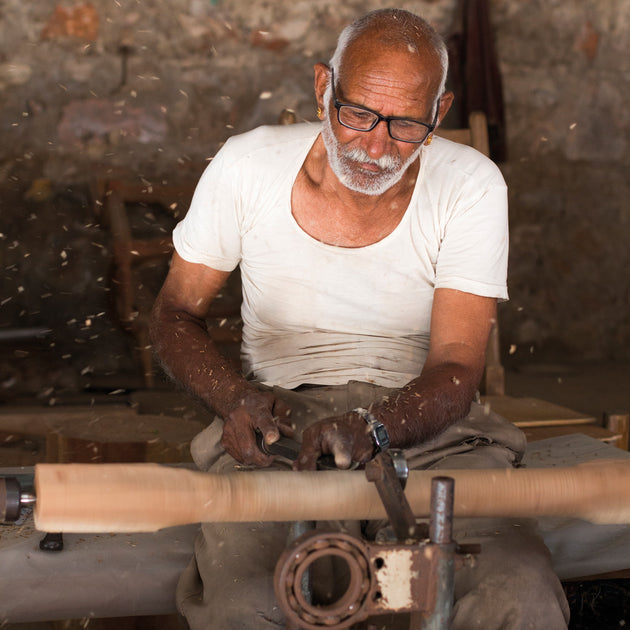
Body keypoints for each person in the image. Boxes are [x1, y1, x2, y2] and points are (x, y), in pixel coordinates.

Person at [150, 8, 570, 629]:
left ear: (440, 110)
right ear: (323, 88)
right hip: (279, 430)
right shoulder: (248, 166)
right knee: (252, 601)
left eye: (406, 126)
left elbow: (457, 367)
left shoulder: (471, 185)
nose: (376, 147)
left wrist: (376, 427)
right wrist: (233, 398)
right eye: (359, 115)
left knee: (518, 592)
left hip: (429, 432)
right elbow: (174, 313)